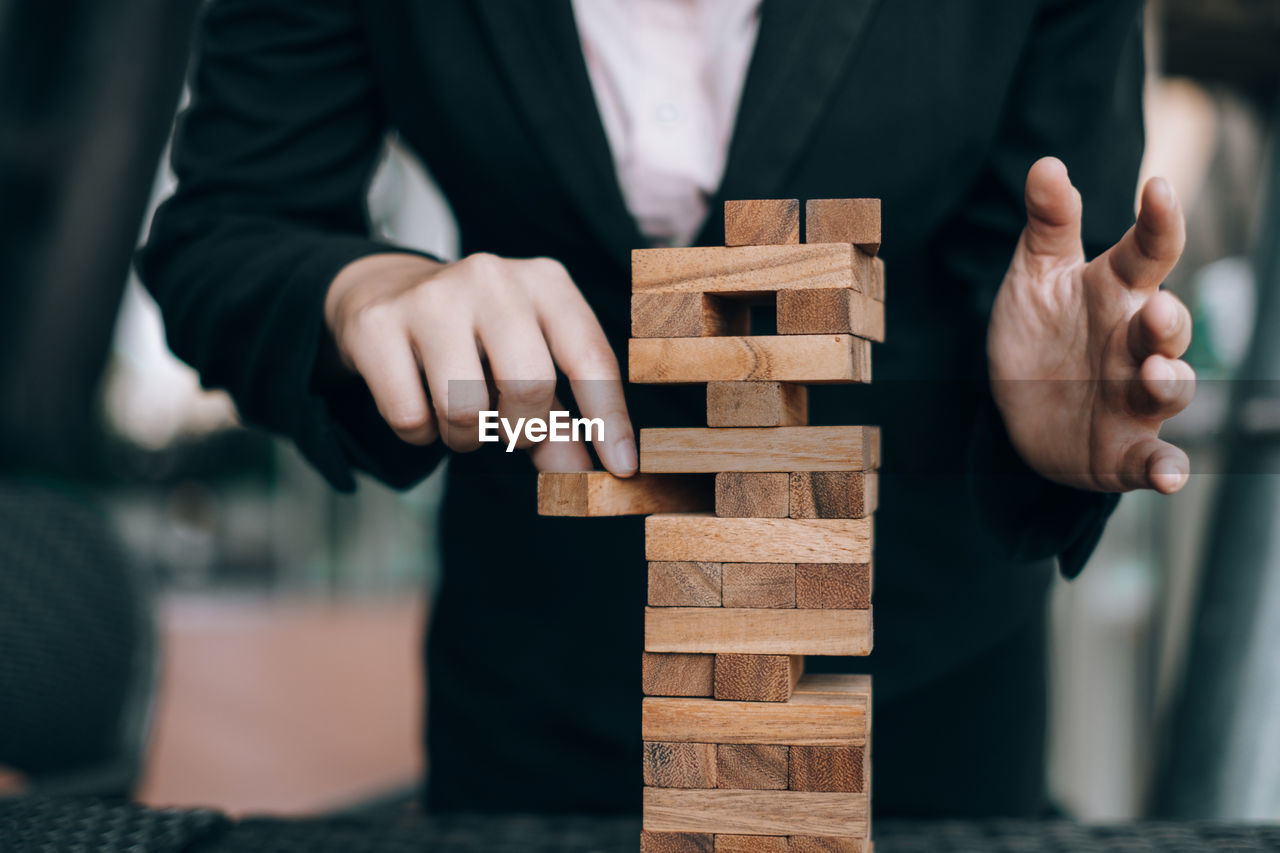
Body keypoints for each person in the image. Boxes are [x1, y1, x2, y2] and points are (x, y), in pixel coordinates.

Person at [138, 0, 1193, 817]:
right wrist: (362, 290)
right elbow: (227, 225)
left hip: (912, 696)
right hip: (539, 677)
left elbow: (1044, 287)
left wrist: (1037, 432)